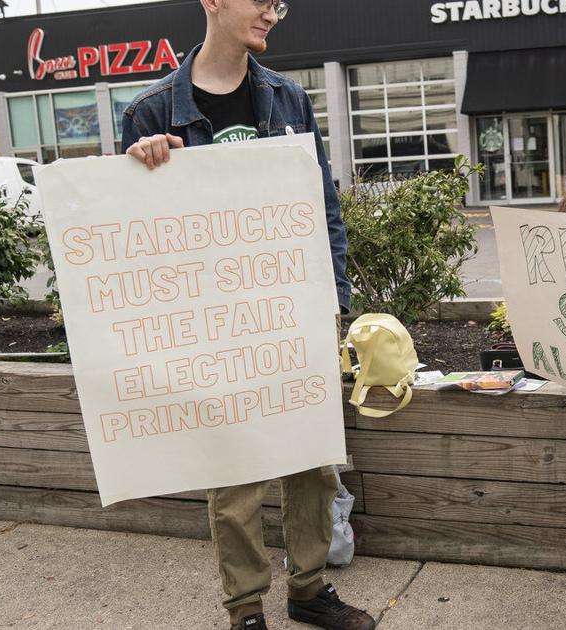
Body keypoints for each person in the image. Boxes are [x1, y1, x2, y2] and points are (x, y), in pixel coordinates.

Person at [119, 1, 371, 629]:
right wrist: (141, 172)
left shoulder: (287, 101)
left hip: (293, 306)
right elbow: (134, 240)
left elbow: (323, 206)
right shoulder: (149, 115)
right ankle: (246, 609)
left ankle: (308, 590)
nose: (272, 13)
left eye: (279, 4)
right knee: (234, 472)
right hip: (216, 321)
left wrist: (332, 298)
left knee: (312, 460)